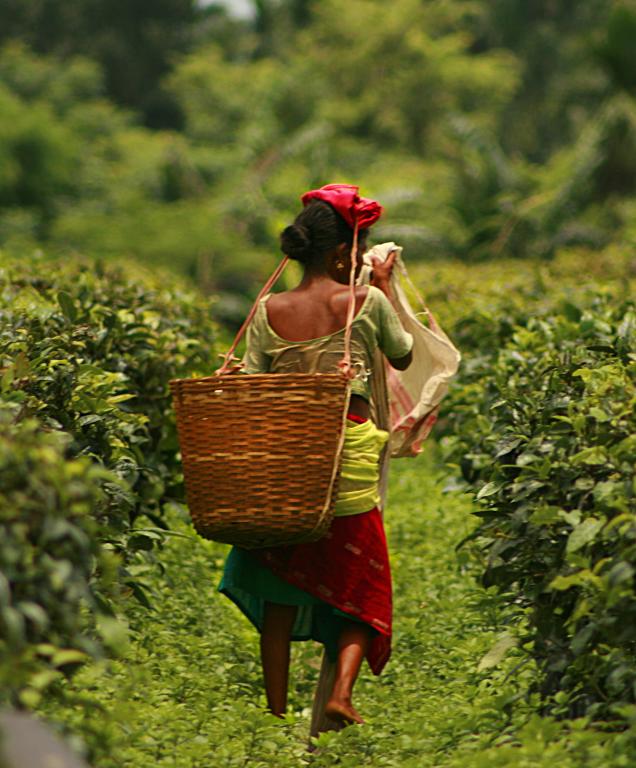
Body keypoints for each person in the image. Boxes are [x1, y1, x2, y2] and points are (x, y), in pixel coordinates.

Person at [218, 184, 413, 726]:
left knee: (280, 581)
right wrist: (383, 287)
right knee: (362, 580)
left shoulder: (268, 307)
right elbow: (403, 354)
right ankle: (339, 695)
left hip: (284, 456)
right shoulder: (365, 302)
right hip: (345, 448)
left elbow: (253, 383)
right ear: (342, 253)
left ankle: (275, 714)